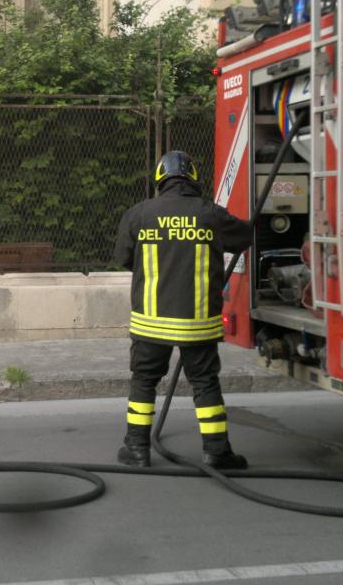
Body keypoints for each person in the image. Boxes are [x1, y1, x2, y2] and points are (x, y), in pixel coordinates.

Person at [112, 151, 254, 470]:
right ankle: (217, 452)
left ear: (160, 179)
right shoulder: (210, 214)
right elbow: (244, 236)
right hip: (197, 324)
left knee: (144, 381)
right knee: (204, 383)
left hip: (150, 323)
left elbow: (123, 258)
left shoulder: (138, 214)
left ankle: (136, 448)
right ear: (192, 179)